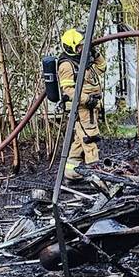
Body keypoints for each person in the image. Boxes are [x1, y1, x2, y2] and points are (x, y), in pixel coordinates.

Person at [57, 28, 107, 180]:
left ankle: (71, 172)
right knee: (90, 140)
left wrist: (95, 53)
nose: (82, 48)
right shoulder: (67, 65)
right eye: (79, 46)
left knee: (80, 140)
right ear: (70, 47)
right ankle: (98, 177)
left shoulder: (85, 60)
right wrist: (87, 99)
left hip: (92, 108)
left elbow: (102, 67)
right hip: (83, 109)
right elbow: (68, 90)